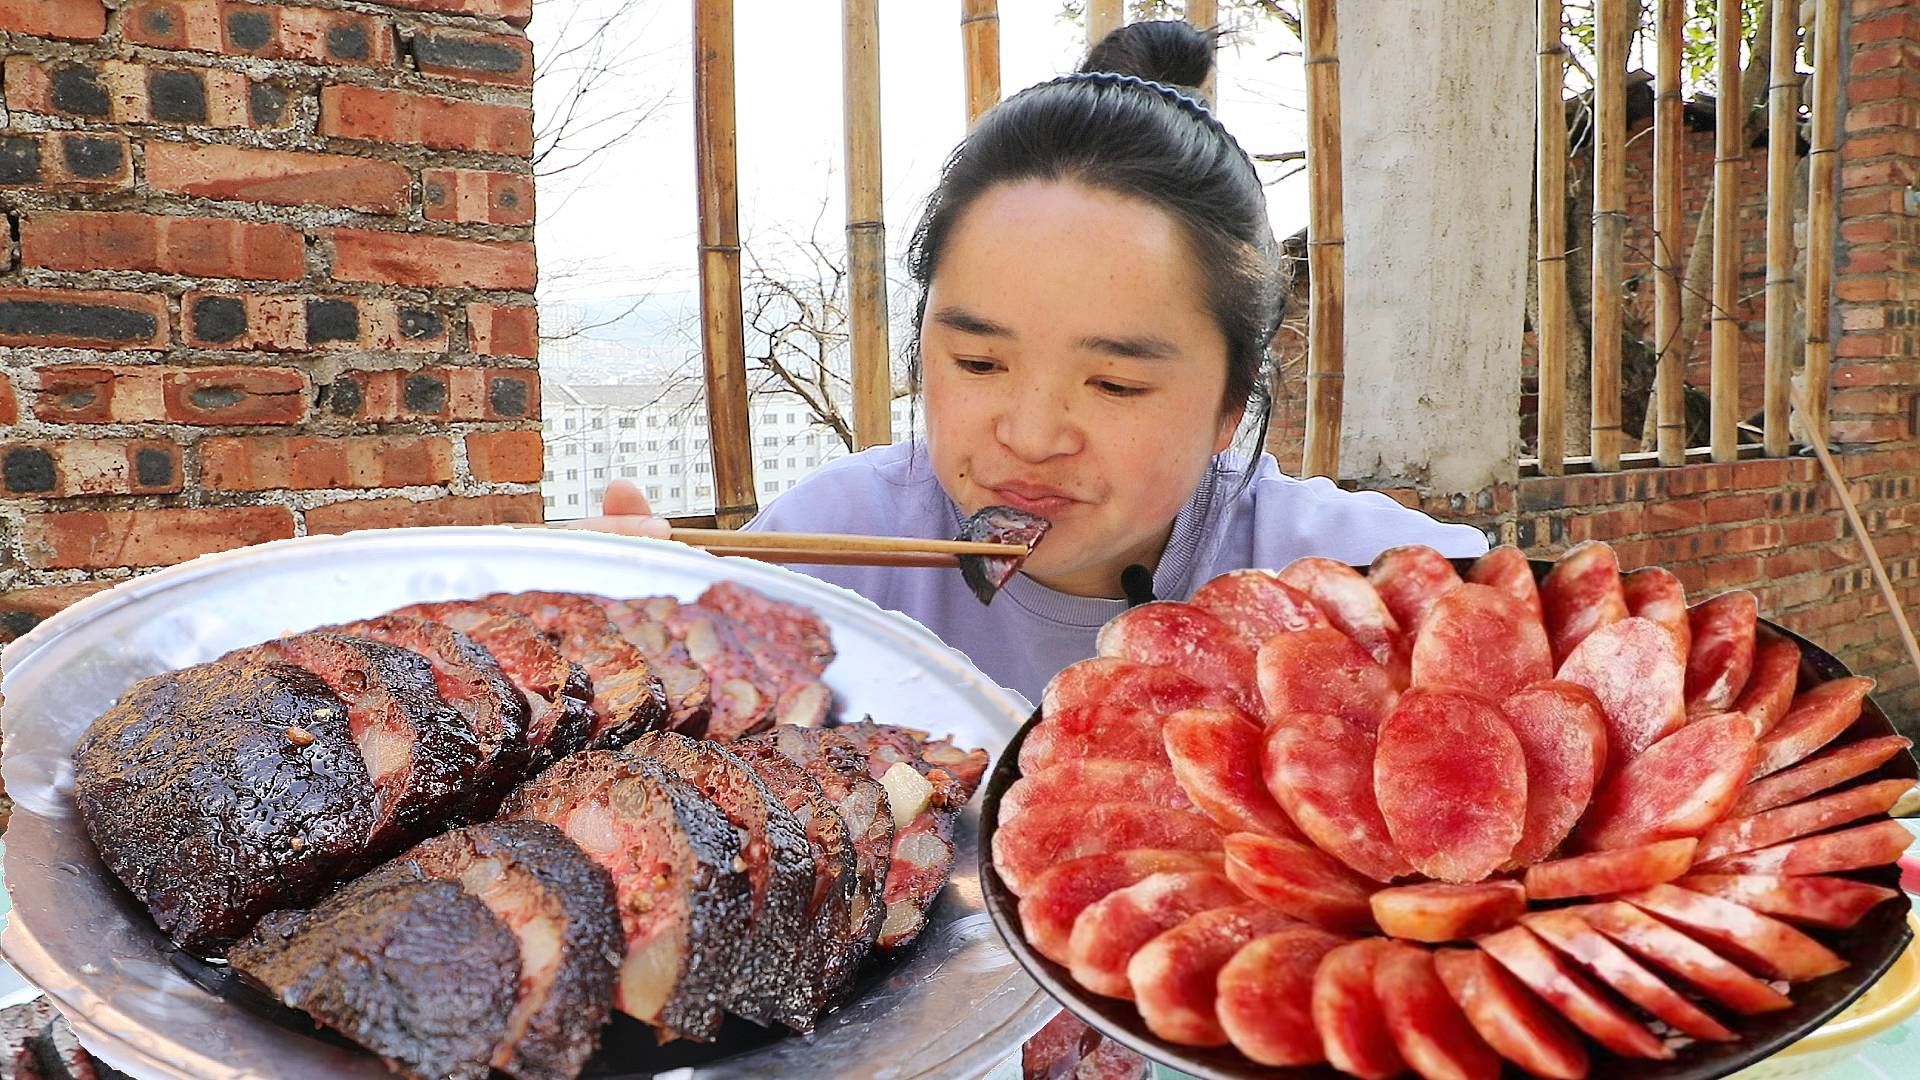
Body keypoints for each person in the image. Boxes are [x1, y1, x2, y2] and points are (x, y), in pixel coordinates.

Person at [575, 20, 1488, 708]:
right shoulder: (828, 558)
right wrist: (637, 653)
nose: (1030, 435)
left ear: (1229, 404)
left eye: (1116, 383)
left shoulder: (1366, 582)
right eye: (978, 362)